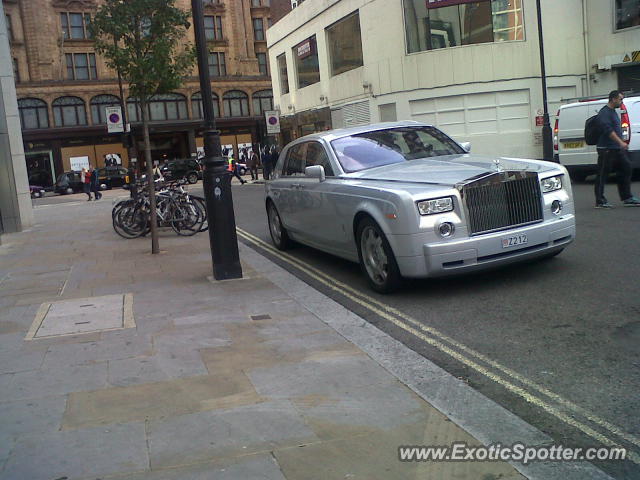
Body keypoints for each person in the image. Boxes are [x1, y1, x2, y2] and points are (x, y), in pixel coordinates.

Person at [594, 90, 640, 208]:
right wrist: (621, 142)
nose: (621, 101)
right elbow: (608, 131)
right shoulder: (605, 113)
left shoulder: (613, 112)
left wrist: (620, 144)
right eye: (620, 99)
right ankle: (600, 201)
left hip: (616, 148)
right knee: (603, 174)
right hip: (606, 149)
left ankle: (627, 197)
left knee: (626, 168)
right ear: (613, 99)